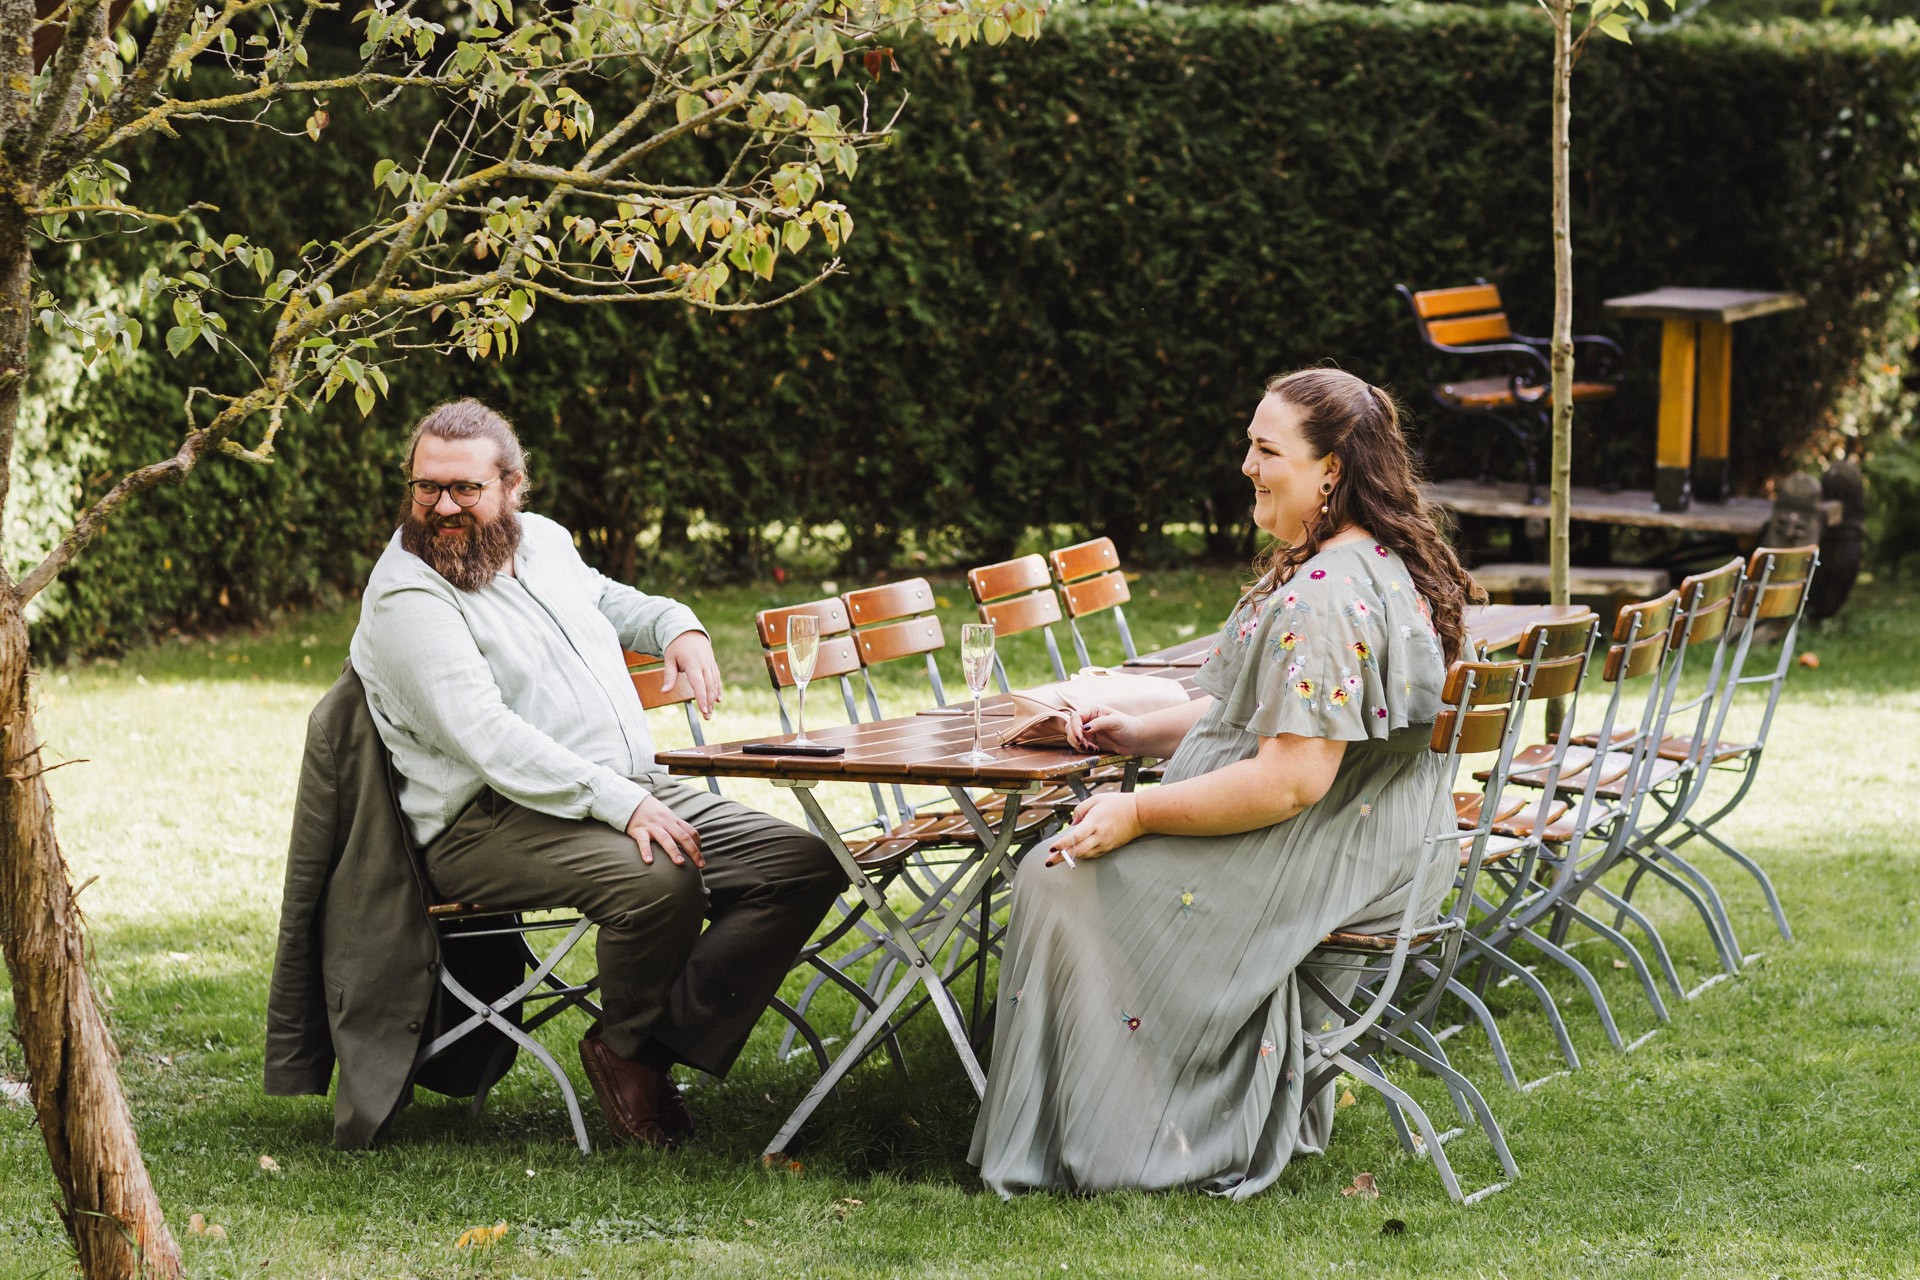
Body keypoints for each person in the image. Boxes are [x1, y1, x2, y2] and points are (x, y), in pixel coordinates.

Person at [970, 368, 1479, 1198]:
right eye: (1250, 442)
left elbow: (1289, 780)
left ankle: (1129, 1134)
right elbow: (1260, 712)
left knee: (1055, 876)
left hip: (1320, 844)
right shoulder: (1373, 565)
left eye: (1266, 448)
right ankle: (1124, 1099)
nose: (1246, 464)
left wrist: (1138, 811)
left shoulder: (1326, 596)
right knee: (1069, 866)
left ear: (1331, 471)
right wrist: (1141, 733)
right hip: (1385, 842)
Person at [349, 399, 844, 1149]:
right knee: (657, 879)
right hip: (486, 819)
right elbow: (487, 737)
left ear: (514, 487)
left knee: (801, 864)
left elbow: (613, 601)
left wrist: (678, 623)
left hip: (618, 788)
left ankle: (640, 1046)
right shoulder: (407, 595)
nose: (441, 508)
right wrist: (619, 803)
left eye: (464, 490)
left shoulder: (543, 542)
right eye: (426, 488)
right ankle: (637, 1055)